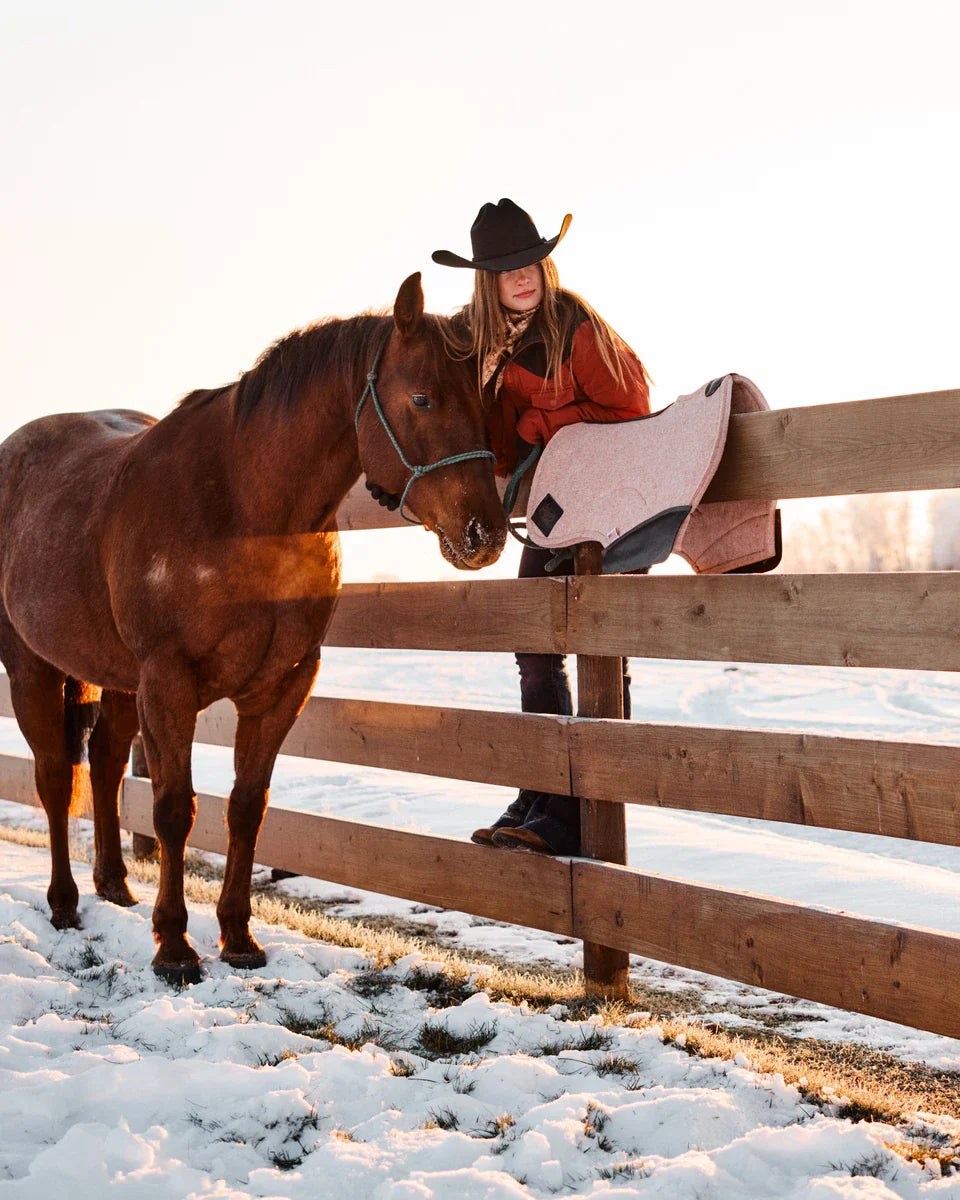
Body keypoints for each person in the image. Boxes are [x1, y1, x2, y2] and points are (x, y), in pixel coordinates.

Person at [432, 198, 651, 855]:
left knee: (594, 647)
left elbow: (632, 411)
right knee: (533, 641)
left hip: (613, 506)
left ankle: (577, 804)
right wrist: (496, 397)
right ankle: (544, 790)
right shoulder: (490, 349)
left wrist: (542, 422)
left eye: (529, 260)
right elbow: (499, 455)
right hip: (560, 508)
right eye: (506, 268)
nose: (523, 274)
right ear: (488, 281)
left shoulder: (574, 327)